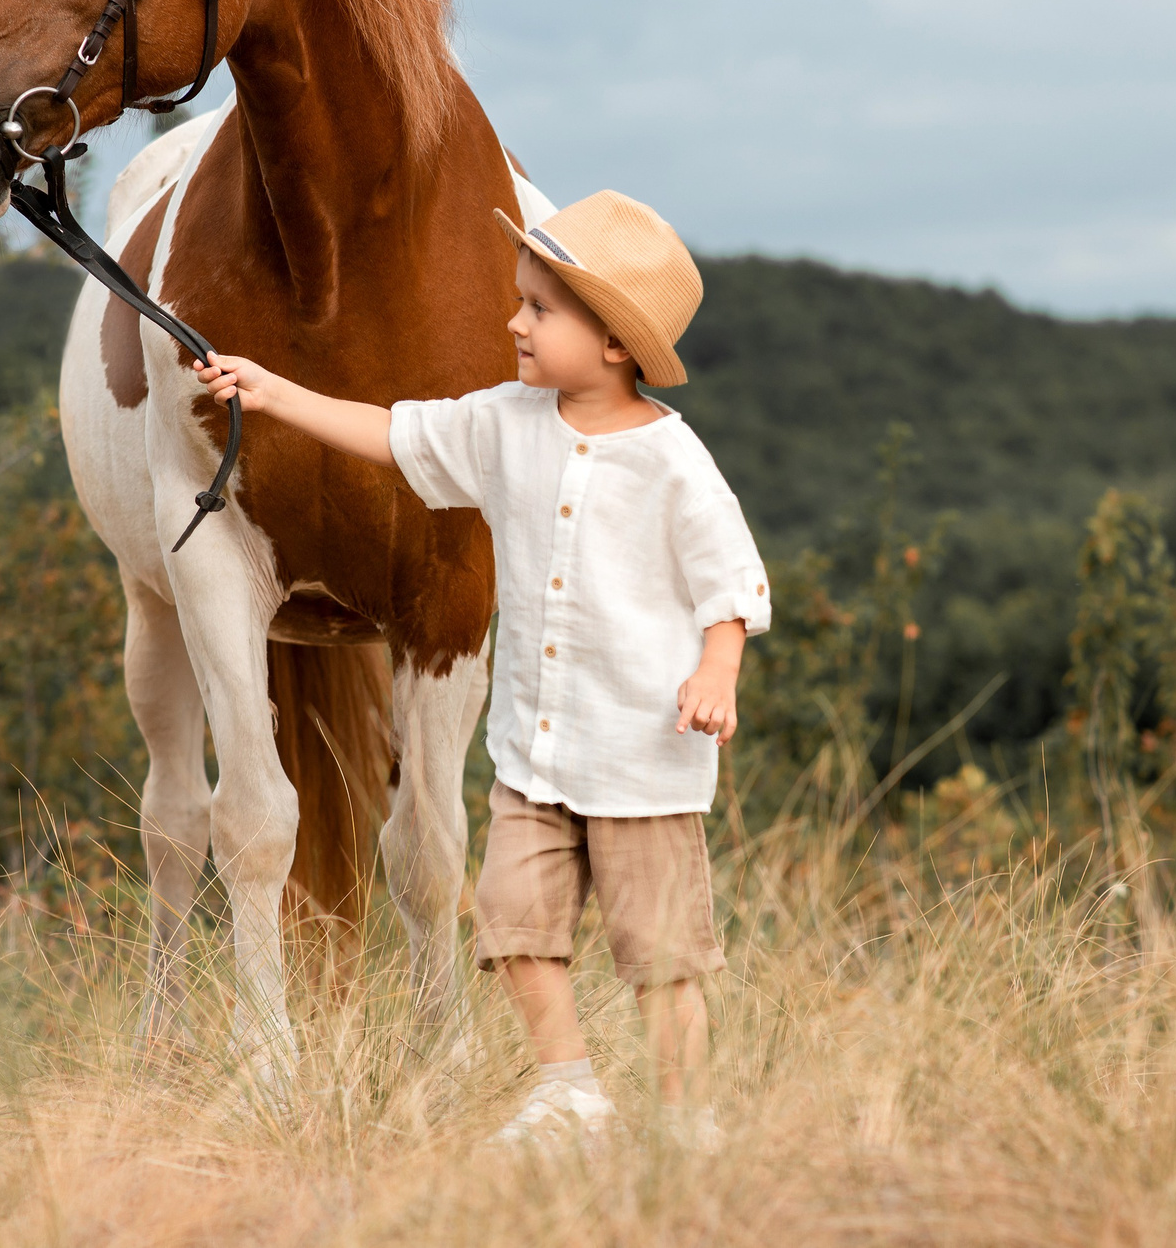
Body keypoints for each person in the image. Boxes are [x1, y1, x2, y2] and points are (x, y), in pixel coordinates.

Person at [195, 189, 769, 1151]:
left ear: (616, 343)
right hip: (534, 760)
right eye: (520, 301)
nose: (514, 321)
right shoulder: (505, 424)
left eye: (541, 309)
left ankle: (684, 1119)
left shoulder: (674, 460)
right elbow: (393, 434)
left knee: (662, 958)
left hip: (643, 765)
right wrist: (273, 391)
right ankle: (568, 1091)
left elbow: (733, 582)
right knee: (511, 927)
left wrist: (719, 669)